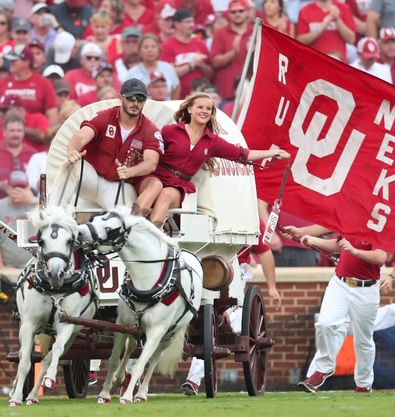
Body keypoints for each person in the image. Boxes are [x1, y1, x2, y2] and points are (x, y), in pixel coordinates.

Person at [135, 92, 291, 227]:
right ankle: (132, 225)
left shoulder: (212, 141)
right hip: (156, 176)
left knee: (167, 194)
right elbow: (150, 149)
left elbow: (243, 154)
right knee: (155, 185)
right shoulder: (170, 131)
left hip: (178, 184)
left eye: (208, 108)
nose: (204, 111)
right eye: (200, 107)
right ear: (189, 109)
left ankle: (151, 235)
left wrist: (273, 153)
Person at [181, 220, 283, 395]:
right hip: (195, 266)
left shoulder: (250, 217)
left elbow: (265, 252)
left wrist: (272, 287)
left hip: (230, 273)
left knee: (215, 324)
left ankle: (194, 379)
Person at [295, 233, 391, 393]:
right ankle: (322, 369)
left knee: (363, 338)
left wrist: (354, 251)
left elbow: (380, 256)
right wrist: (314, 240)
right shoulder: (351, 218)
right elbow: (339, 244)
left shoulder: (378, 224)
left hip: (367, 288)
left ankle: (364, 383)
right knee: (325, 324)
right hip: (340, 282)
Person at [66, 78, 162, 209]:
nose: (135, 103)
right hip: (93, 177)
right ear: (121, 98)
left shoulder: (150, 130)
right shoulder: (104, 117)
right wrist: (72, 150)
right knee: (70, 165)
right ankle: (55, 211)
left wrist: (129, 172)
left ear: (144, 101)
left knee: (123, 218)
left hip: (119, 184)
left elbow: (151, 163)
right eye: (131, 98)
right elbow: (80, 137)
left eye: (140, 99)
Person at [0, 171, 37, 269]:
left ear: (28, 189)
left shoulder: (37, 205)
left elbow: (49, 216)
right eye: (14, 187)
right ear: (8, 189)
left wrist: (33, 201)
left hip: (33, 266)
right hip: (9, 266)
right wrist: (1, 267)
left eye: (22, 187)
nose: (18, 190)